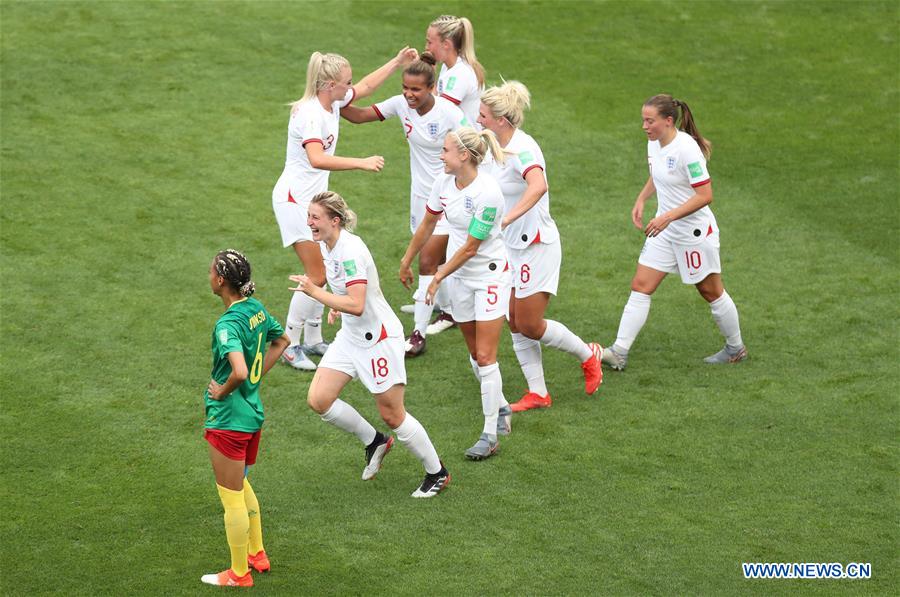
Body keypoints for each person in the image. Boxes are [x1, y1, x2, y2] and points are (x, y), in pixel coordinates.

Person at [290, 192, 450, 498]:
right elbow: (350, 294)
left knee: (393, 414)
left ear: (334, 221)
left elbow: (359, 304)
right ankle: (375, 441)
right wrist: (337, 304)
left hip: (377, 340)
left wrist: (315, 292)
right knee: (319, 399)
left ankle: (437, 472)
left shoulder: (349, 250)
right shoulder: (329, 245)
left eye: (315, 217)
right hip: (352, 336)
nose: (309, 223)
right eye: (309, 216)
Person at [273, 48, 418, 371]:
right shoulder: (311, 113)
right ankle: (289, 343)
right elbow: (316, 158)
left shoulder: (332, 101)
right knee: (317, 274)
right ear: (328, 85)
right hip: (295, 200)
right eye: (345, 82)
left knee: (322, 270)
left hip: (312, 199)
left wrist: (396, 63)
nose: (350, 87)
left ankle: (312, 338)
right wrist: (361, 162)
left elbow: (365, 88)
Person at [477, 82, 603, 412]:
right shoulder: (491, 147)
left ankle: (588, 357)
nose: (478, 120)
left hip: (535, 246)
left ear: (502, 120)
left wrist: (506, 219)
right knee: (514, 320)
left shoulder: (524, 148)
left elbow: (538, 185)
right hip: (508, 249)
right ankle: (538, 393)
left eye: (483, 115)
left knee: (531, 324)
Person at [601, 94, 747, 370]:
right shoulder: (654, 142)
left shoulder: (687, 149)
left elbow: (705, 195)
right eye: (643, 120)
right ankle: (619, 351)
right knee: (641, 285)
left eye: (650, 120)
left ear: (668, 121)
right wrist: (642, 198)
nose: (644, 126)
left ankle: (735, 348)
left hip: (693, 233)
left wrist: (667, 217)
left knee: (710, 291)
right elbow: (658, 173)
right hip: (665, 231)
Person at [340, 53, 467, 357]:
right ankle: (448, 311)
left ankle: (418, 335)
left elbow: (475, 147)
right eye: (405, 88)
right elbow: (358, 116)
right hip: (421, 199)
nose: (409, 94)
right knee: (434, 262)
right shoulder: (401, 105)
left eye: (416, 90)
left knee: (425, 262)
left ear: (432, 88)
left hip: (450, 199)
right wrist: (335, 101)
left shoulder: (450, 114)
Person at [399, 127, 511, 460]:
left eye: (445, 150)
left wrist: (437, 277)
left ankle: (490, 433)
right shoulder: (443, 182)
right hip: (460, 279)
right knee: (476, 354)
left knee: (487, 355)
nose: (440, 155)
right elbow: (428, 224)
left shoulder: (488, 192)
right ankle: (502, 405)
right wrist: (407, 260)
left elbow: (472, 247)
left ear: (463, 155)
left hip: (489, 277)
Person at [201, 249, 290, 587]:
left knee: (230, 495)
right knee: (241, 484)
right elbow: (282, 341)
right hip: (252, 416)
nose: (208, 276)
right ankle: (257, 553)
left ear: (221, 280)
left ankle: (239, 574)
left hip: (228, 420)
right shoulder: (256, 308)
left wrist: (222, 391)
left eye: (211, 271)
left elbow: (237, 370)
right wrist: (254, 379)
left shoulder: (227, 324)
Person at [425, 15, 485, 128]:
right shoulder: (448, 66)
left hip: (467, 142)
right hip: (458, 139)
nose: (426, 47)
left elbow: (439, 113)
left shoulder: (460, 74)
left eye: (429, 42)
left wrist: (430, 76)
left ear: (446, 44)